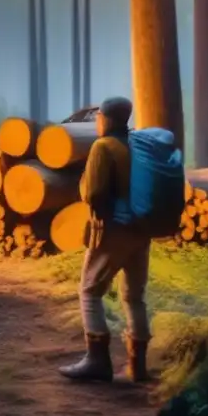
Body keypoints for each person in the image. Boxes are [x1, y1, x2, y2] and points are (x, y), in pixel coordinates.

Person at [59, 96, 152, 384]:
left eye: (99, 116)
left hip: (112, 231)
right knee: (134, 296)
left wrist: (84, 186)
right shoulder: (137, 144)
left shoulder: (103, 147)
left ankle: (97, 360)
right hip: (141, 230)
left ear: (107, 119)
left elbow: (95, 193)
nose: (98, 121)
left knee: (89, 291)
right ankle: (138, 365)